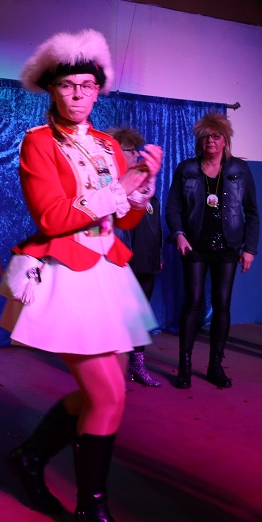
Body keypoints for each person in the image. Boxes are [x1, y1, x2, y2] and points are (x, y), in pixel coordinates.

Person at [0, 29, 162, 520]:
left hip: (108, 273)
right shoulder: (37, 143)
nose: (77, 94)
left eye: (87, 86)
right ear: (52, 89)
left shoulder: (109, 145)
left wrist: (141, 186)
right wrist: (118, 191)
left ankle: (30, 457)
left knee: (107, 393)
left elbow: (123, 222)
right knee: (108, 395)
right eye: (68, 85)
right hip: (67, 274)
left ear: (97, 91)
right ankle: (91, 508)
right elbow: (51, 217)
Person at [165, 112, 258, 389]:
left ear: (224, 139)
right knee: (192, 302)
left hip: (228, 245)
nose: (210, 141)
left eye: (216, 136)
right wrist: (179, 235)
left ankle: (215, 365)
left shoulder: (240, 169)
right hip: (195, 245)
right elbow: (173, 208)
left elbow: (252, 212)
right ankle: (185, 365)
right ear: (199, 140)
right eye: (206, 137)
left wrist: (250, 248)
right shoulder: (186, 168)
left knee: (222, 304)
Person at [109, 126, 163, 388]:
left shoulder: (147, 190)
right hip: (120, 264)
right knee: (118, 318)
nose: (134, 155)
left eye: (134, 150)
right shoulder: (111, 189)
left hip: (146, 262)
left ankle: (137, 364)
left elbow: (155, 228)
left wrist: (157, 255)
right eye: (128, 150)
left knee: (139, 317)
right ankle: (113, 370)